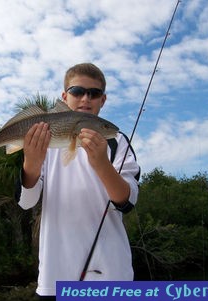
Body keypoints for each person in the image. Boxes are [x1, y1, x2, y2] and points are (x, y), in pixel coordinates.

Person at [17, 63, 140, 300]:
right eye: (77, 91)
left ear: (103, 100)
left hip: (112, 275)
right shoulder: (44, 139)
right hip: (55, 277)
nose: (86, 98)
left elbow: (127, 201)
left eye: (94, 93)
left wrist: (101, 164)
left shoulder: (116, 140)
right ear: (64, 96)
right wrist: (31, 164)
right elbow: (26, 201)